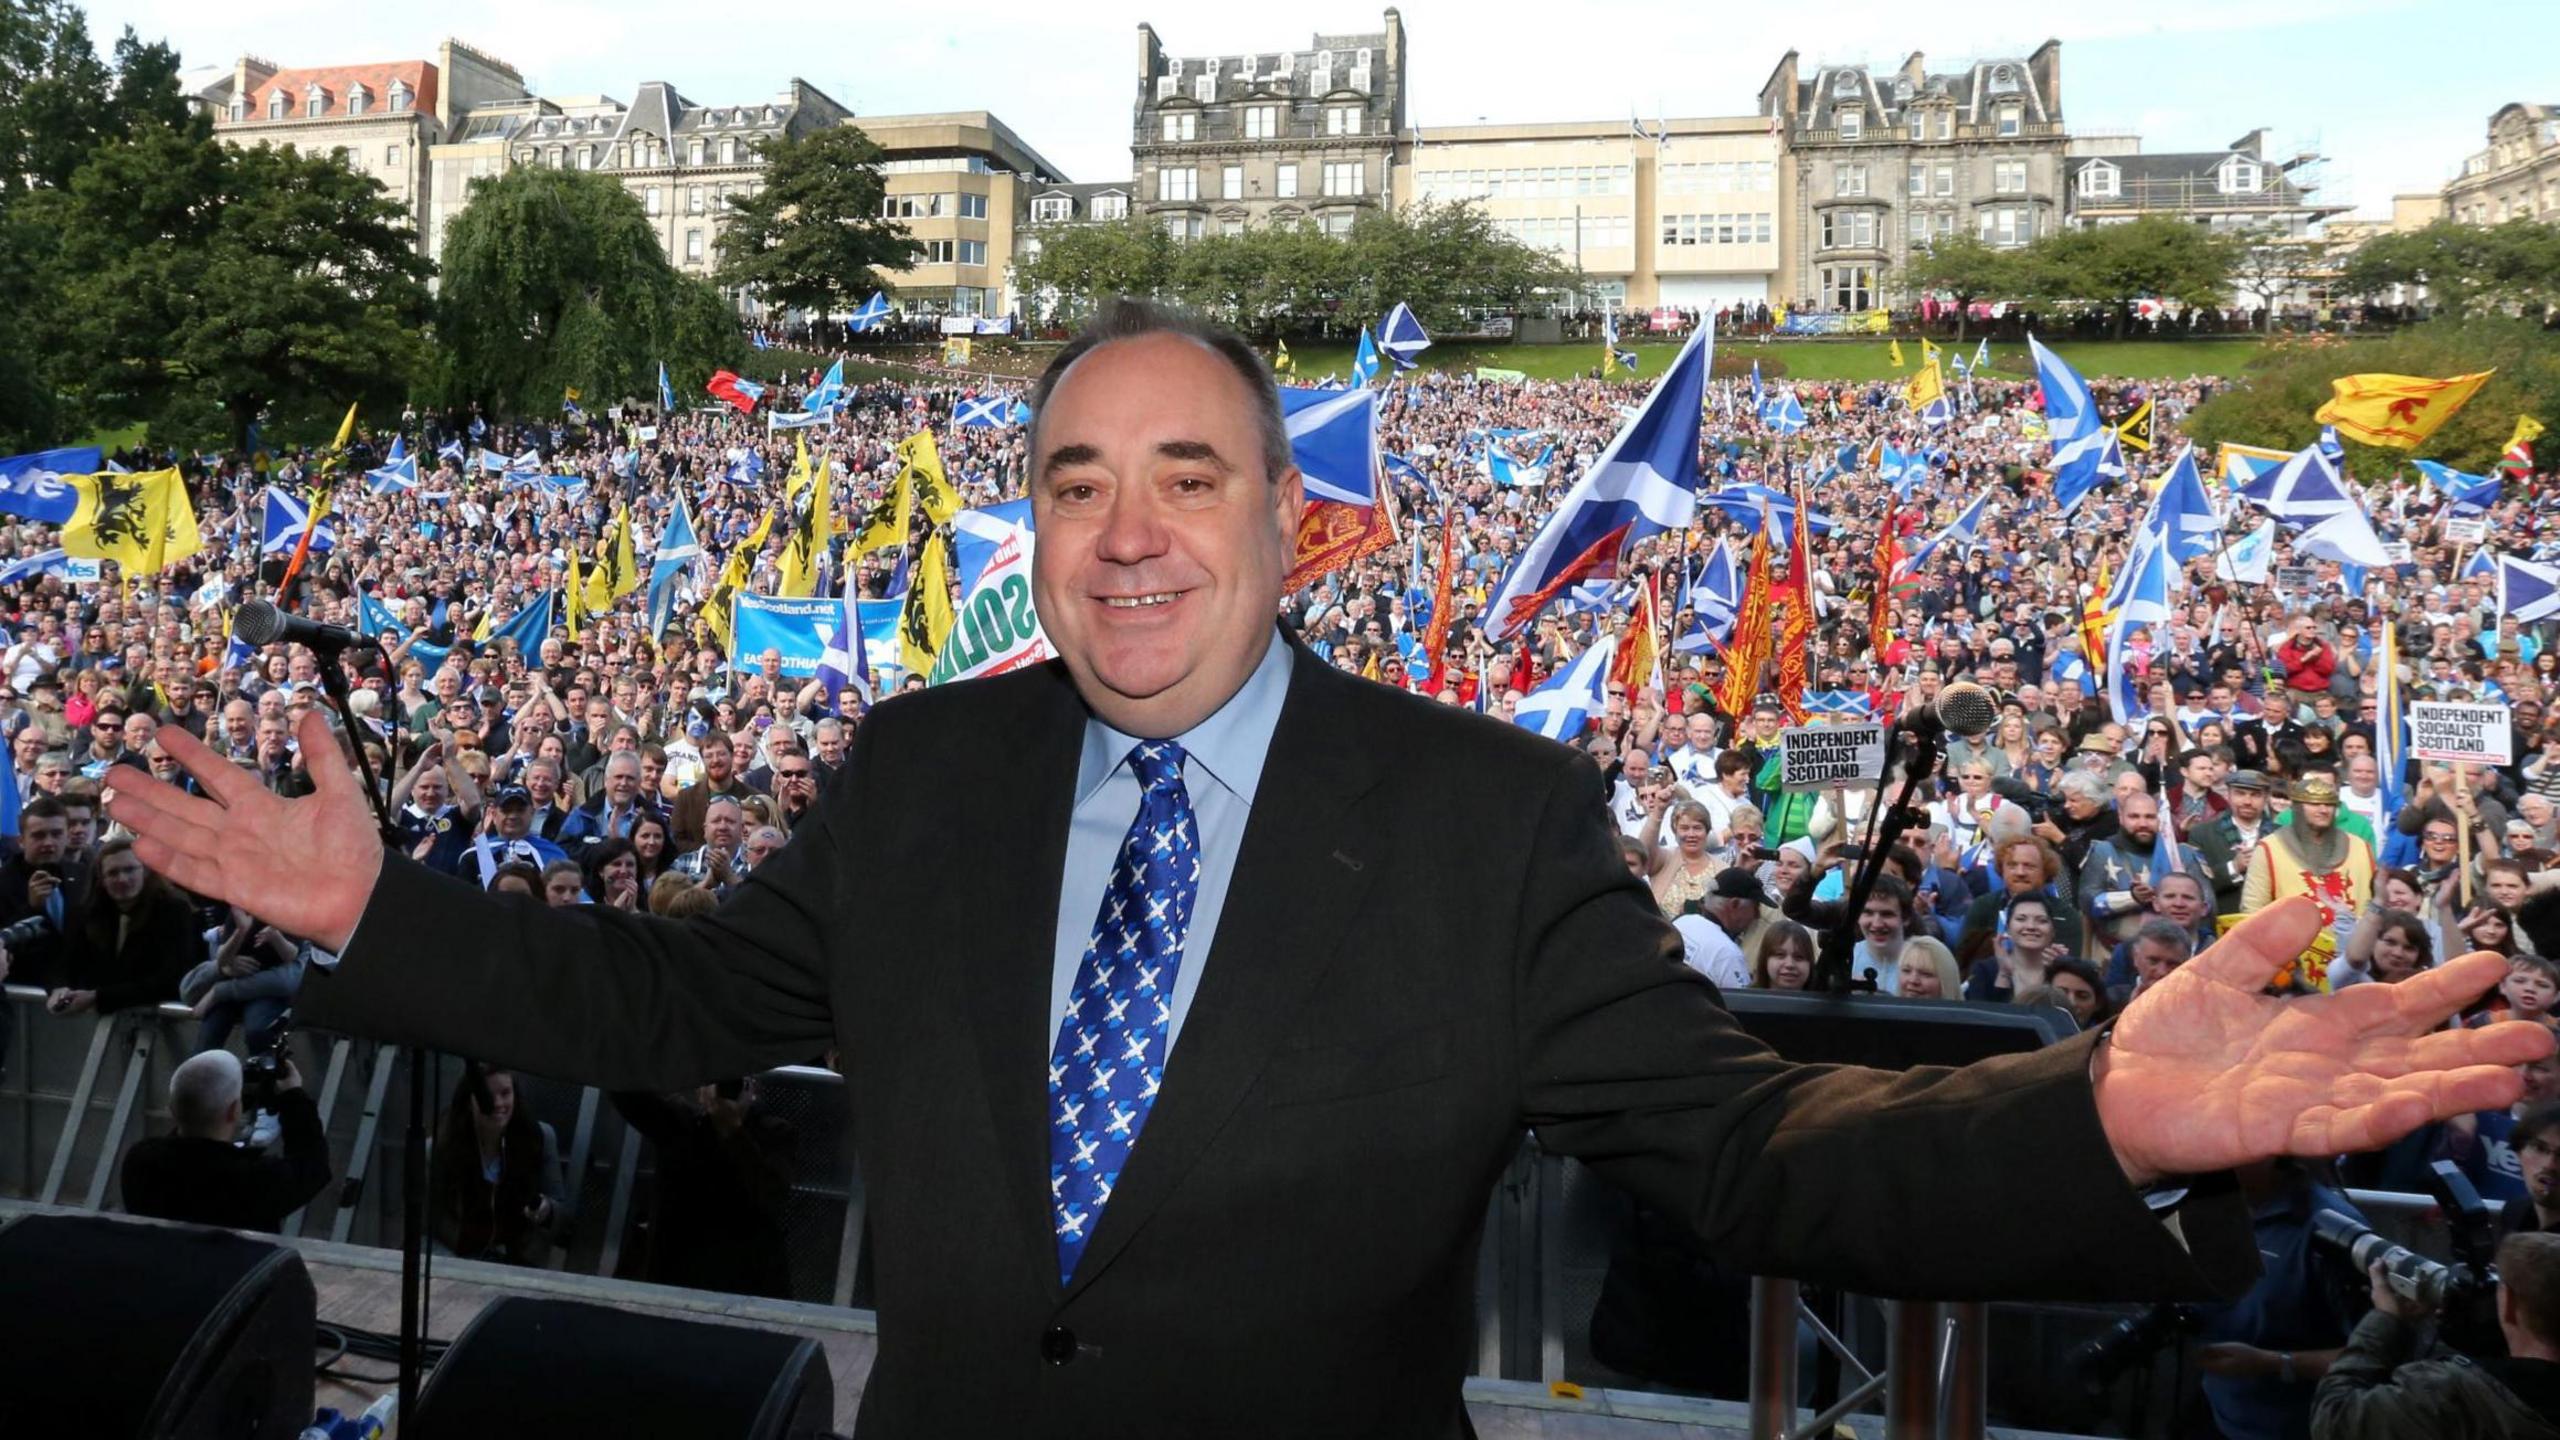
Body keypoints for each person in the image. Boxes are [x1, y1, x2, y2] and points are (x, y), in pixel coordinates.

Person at [110, 298, 2551, 1435]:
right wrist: (363, 913)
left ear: (1294, 525)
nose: (1127, 531)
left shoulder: (1483, 817)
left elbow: (1738, 1141)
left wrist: (2094, 1109)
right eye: (1074, 478)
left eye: (1190, 474)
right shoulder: (921, 771)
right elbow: (666, 1009)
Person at [2312, 1231, 2560, 1439]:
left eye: (2500, 1286)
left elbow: (2334, 1416)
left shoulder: (2449, 1395)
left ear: (2509, 1306)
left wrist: (2385, 1319)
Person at [118, 1050, 331, 1234]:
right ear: (233, 1111)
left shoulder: (140, 1162)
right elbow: (312, 1165)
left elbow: (182, 1150)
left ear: (171, 1108)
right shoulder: (253, 1180)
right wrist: (293, 1096)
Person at [429, 1062, 571, 1265]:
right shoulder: (443, 1146)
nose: (498, 1103)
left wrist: (547, 1210)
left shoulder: (538, 1138)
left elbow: (563, 1221)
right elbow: (424, 1232)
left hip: (518, 1265)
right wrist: (456, 1268)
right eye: (487, 1095)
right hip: (460, 1264)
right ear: (469, 1100)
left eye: (506, 1093)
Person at [2193, 770, 2278, 915]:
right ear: (2228, 795)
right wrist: (2234, 867)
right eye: (2240, 793)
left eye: (2255, 795)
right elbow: (2197, 887)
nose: (2247, 801)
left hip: (2271, 921)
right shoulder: (2202, 833)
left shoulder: (2281, 836)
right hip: (2222, 922)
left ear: (2266, 798)